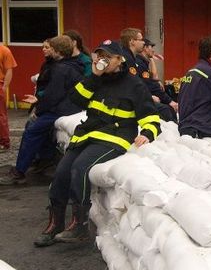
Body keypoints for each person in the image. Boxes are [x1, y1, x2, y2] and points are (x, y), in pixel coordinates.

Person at [34, 39, 160, 247]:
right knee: (62, 171)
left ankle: (79, 225)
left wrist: (147, 132)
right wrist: (94, 76)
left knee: (80, 168)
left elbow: (150, 116)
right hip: (89, 133)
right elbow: (76, 99)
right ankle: (55, 224)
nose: (103, 60)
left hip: (114, 136)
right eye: (100, 56)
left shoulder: (134, 84)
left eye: (108, 57)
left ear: (119, 59)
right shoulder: (96, 79)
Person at [0, 36, 83, 185]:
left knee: (32, 130)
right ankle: (44, 160)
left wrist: (38, 110)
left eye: (50, 48)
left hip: (62, 109)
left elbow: (53, 95)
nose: (47, 50)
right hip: (68, 107)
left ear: (57, 50)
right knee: (37, 129)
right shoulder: (73, 64)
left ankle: (20, 172)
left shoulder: (60, 68)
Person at [120, 28, 176, 121]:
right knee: (165, 110)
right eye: (141, 40)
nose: (143, 43)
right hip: (127, 102)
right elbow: (134, 84)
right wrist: (149, 97)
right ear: (132, 41)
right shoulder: (128, 59)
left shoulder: (132, 58)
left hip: (131, 99)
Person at [0, 43, 18, 153]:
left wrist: (4, 87)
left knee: (1, 115)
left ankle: (3, 142)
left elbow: (9, 70)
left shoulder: (4, 50)